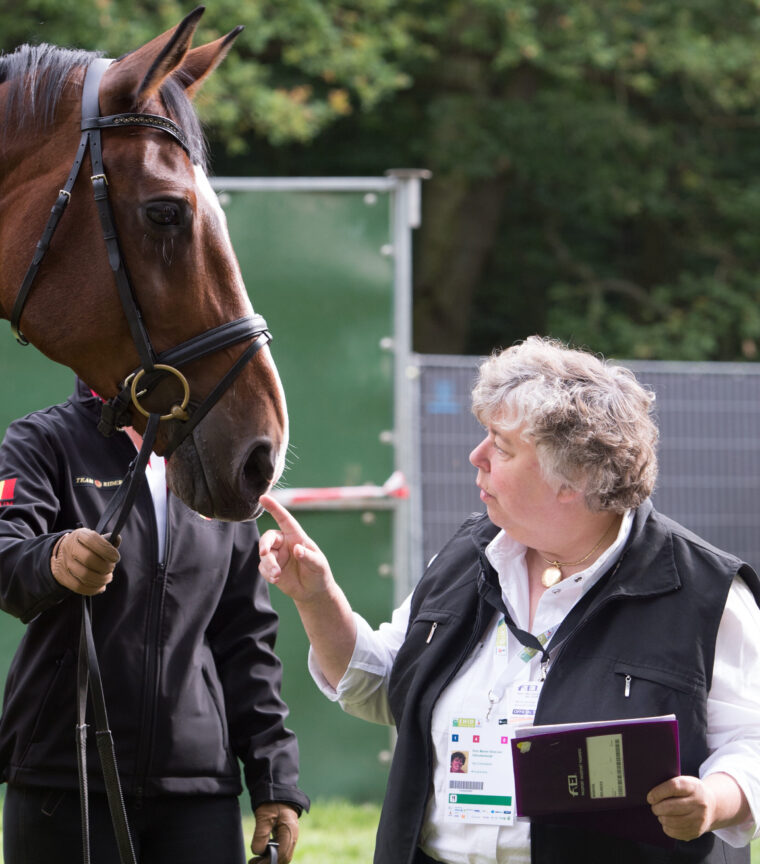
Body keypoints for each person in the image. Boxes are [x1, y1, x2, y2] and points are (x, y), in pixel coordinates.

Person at [258, 336, 760, 864]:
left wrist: (713, 801)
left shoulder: (706, 593)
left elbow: (752, 745)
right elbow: (384, 685)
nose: (476, 456)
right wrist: (316, 598)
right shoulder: (466, 557)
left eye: (501, 445)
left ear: (574, 478)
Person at [0, 378, 309, 864]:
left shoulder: (218, 460)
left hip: (198, 792)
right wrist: (54, 558)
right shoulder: (43, 439)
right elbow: (6, 555)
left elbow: (245, 638)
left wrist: (276, 779)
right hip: (65, 778)